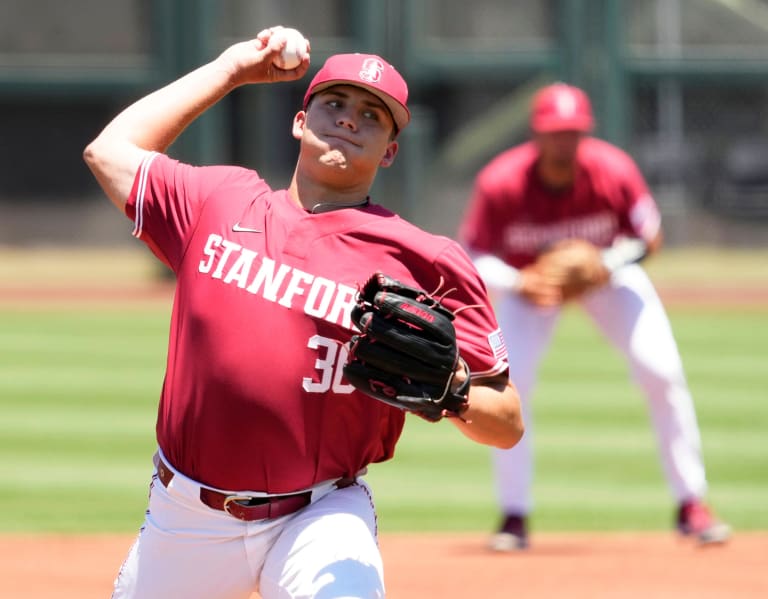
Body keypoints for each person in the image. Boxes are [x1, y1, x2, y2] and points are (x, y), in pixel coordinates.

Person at [83, 26, 524, 599]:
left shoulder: (425, 260)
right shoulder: (217, 201)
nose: (348, 119)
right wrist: (234, 69)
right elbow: (108, 152)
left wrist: (454, 390)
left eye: (372, 115)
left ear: (390, 150)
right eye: (334, 103)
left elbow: (507, 422)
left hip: (320, 515)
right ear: (299, 120)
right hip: (185, 516)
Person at [459, 82, 731, 551]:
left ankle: (692, 504)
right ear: (536, 134)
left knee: (661, 371)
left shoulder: (612, 169)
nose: (564, 141)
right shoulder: (502, 180)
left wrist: (605, 264)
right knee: (508, 386)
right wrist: (518, 281)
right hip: (532, 285)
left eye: (573, 132)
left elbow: (650, 237)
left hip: (607, 280)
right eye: (555, 132)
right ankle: (514, 516)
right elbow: (472, 253)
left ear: (585, 133)